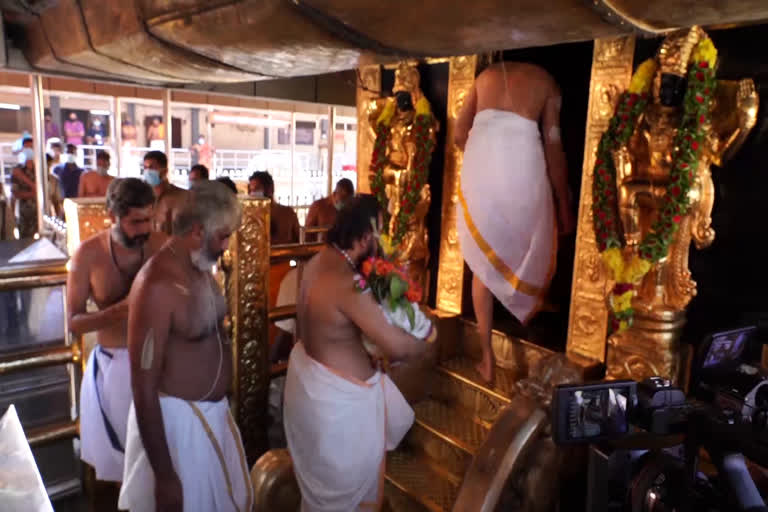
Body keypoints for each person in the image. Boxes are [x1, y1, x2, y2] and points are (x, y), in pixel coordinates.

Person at [285, 195, 435, 510]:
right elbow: (398, 347)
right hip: (341, 412)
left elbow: (328, 331)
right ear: (366, 237)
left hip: (312, 395)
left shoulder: (315, 263)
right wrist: (428, 337)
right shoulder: (346, 282)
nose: (385, 244)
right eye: (382, 235)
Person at [119, 181, 252, 512]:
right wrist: (165, 476)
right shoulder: (158, 285)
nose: (227, 245)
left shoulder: (199, 266)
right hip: (179, 432)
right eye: (222, 236)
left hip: (211, 420)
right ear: (197, 231)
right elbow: (143, 386)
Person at [454, 61, 575, 383]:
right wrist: (564, 200)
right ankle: (528, 312)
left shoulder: (485, 77)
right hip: (525, 167)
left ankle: (487, 358)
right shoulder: (546, 81)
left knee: (482, 264)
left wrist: (484, 150)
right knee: (533, 240)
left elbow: (457, 133)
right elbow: (554, 144)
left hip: (482, 170)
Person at [67, 178, 165, 485]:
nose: (145, 228)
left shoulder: (161, 244)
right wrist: (120, 310)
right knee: (125, 473)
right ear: (113, 215)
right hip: (114, 367)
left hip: (162, 363)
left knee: (164, 461)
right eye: (136, 222)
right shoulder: (88, 255)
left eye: (149, 219)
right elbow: (74, 323)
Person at [248, 171, 299, 244]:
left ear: (270, 189)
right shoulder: (249, 216)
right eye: (251, 190)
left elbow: (298, 241)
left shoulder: (288, 214)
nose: (252, 194)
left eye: (257, 189)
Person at [143, 150, 187, 235]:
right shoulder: (142, 197)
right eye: (145, 168)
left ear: (165, 171)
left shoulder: (181, 197)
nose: (147, 171)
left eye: (152, 167)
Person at [10, 143, 36, 238]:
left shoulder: (40, 169)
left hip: (40, 215)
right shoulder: (17, 170)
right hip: (24, 216)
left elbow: (43, 191)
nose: (29, 150)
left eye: (31, 147)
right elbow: (15, 193)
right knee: (25, 243)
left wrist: (23, 177)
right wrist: (33, 193)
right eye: (26, 148)